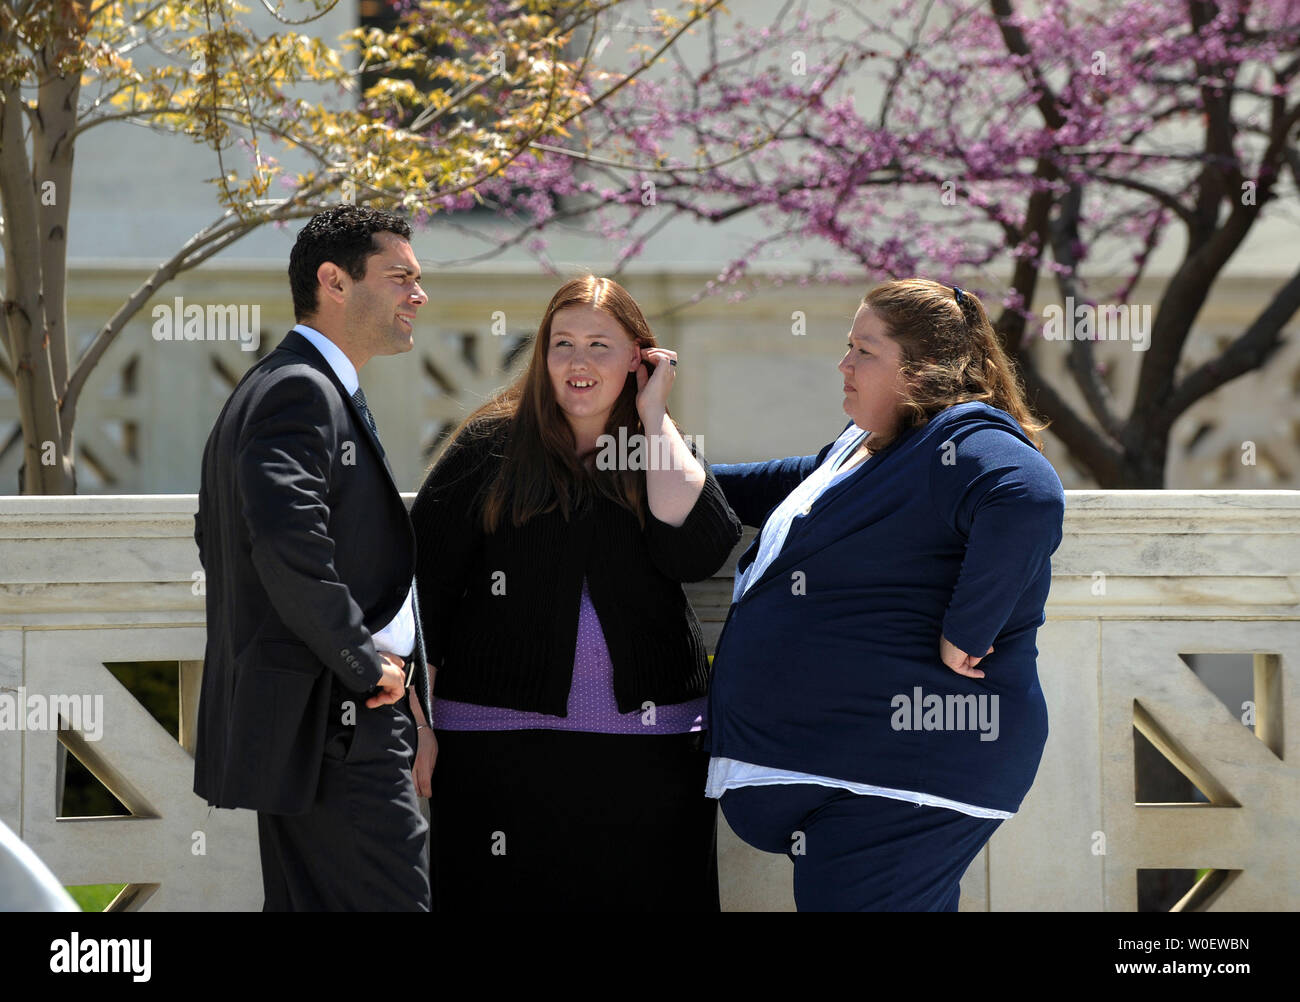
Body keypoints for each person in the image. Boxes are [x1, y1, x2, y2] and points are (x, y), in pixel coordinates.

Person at [706, 278, 1065, 911]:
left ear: (922, 370)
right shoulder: (874, 449)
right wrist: (647, 462)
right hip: (863, 775)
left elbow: (1027, 497)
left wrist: (969, 630)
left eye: (864, 351)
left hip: (900, 774)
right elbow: (780, 488)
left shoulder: (961, 439)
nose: (843, 364)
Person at [409, 274, 741, 911]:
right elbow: (423, 592)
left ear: (640, 358)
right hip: (496, 750)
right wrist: (418, 724)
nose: (578, 362)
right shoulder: (489, 449)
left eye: (600, 345)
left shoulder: (654, 449)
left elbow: (697, 552)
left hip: (652, 752)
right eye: (562, 344)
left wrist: (652, 419)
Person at [193, 205, 433, 911]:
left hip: (316, 722)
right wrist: (365, 663)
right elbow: (285, 543)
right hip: (342, 716)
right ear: (333, 280)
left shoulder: (284, 384)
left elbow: (226, 539)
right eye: (400, 278)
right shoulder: (300, 390)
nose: (418, 296)